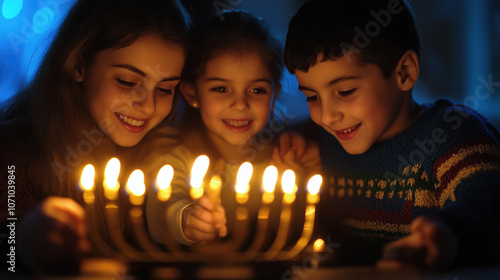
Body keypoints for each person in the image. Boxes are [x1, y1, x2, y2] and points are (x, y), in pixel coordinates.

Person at [283, 0, 500, 269]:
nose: (327, 116)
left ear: (404, 72)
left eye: (345, 92)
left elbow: (491, 203)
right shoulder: (319, 141)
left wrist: (447, 234)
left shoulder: (453, 135)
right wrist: (287, 149)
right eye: (312, 97)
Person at [0, 0, 191, 273]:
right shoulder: (10, 155)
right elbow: (8, 258)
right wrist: (21, 244)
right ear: (78, 64)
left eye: (165, 89)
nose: (147, 106)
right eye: (127, 81)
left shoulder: (163, 160)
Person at [143, 10, 321, 246]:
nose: (240, 104)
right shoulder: (175, 158)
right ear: (192, 93)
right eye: (221, 89)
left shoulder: (282, 155)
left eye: (257, 90)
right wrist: (187, 219)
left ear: (274, 94)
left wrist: (308, 168)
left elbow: (305, 222)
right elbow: (163, 205)